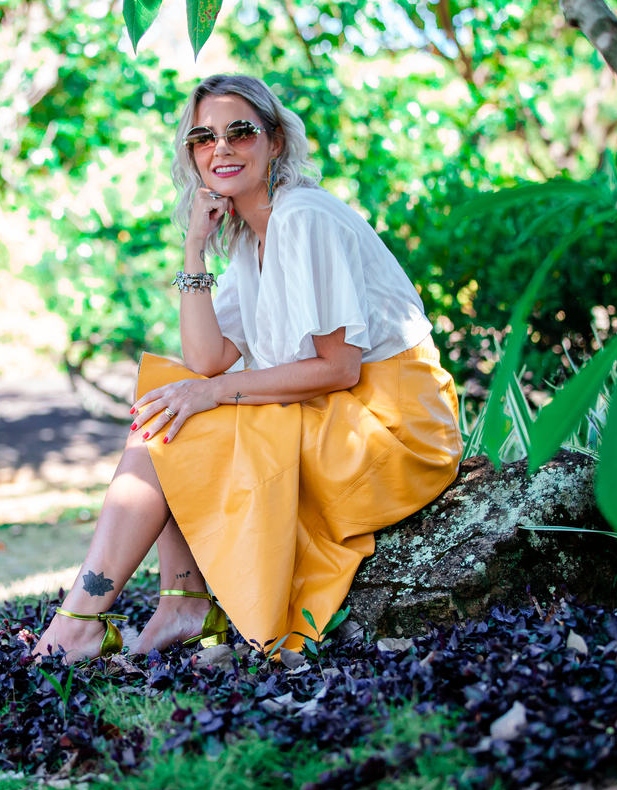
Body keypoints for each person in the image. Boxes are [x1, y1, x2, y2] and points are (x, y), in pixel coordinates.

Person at [32, 74, 461, 663]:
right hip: (336, 412)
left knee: (186, 409)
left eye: (240, 132)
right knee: (169, 400)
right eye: (203, 138)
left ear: (275, 142)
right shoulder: (250, 240)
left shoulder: (303, 217)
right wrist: (193, 249)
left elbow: (338, 369)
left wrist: (215, 394)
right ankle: (175, 604)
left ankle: (93, 618)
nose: (222, 148)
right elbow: (207, 361)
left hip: (392, 427)